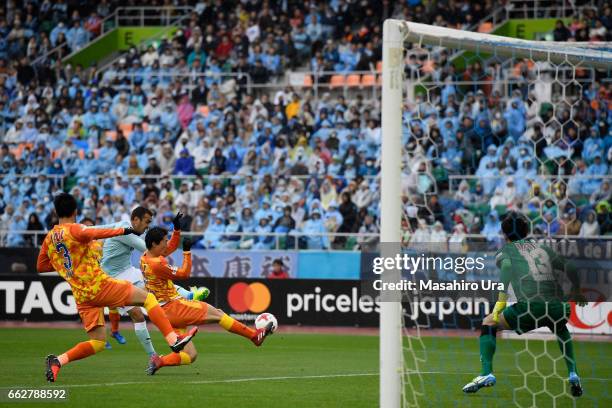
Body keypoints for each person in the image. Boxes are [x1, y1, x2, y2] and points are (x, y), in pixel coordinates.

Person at [37, 193, 197, 382]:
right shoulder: (76, 229)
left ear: (56, 212)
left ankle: (58, 361)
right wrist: (122, 231)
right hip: (100, 285)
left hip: (82, 295)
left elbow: (41, 266)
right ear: (75, 211)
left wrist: (67, 264)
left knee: (97, 342)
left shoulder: (50, 238)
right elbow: (93, 233)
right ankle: (173, 340)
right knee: (148, 298)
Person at [462, 212, 585, 397]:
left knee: (489, 323)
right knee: (560, 328)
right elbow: (572, 267)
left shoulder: (506, 251)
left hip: (531, 307)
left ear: (504, 234)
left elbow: (506, 268)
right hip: (558, 306)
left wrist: (499, 305)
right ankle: (573, 374)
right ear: (526, 231)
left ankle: (486, 373)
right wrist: (577, 291)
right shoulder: (543, 248)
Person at [142, 227, 274, 375]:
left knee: (190, 355)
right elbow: (184, 273)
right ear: (154, 243)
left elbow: (168, 249)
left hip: (163, 313)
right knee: (218, 314)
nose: (167, 244)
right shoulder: (157, 264)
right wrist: (186, 251)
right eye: (164, 242)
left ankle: (160, 361)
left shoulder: (145, 257)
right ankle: (254, 336)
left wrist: (177, 231)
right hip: (174, 307)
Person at [96, 207, 209, 357]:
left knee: (156, 283)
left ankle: (188, 295)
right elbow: (161, 251)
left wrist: (176, 230)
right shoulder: (126, 231)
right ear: (135, 220)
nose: (147, 227)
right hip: (112, 279)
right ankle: (152, 356)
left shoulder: (127, 229)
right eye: (146, 222)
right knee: (138, 315)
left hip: (128, 271)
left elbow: (164, 249)